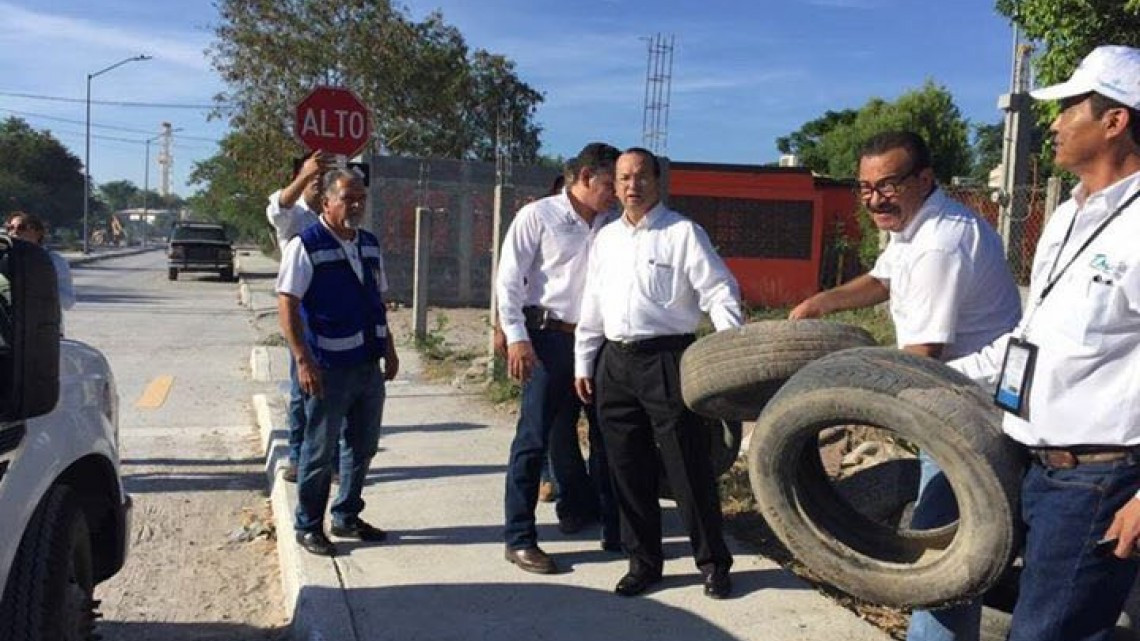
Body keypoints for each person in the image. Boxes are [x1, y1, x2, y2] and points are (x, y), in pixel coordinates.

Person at [789, 131, 1021, 640]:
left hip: (971, 411)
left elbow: (920, 359)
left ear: (924, 179)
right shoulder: (914, 226)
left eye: (888, 185)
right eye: (866, 187)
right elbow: (883, 279)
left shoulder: (938, 245)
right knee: (959, 540)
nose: (875, 199)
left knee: (943, 558)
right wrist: (823, 302)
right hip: (950, 398)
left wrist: (842, 394)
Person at [950, 44, 1140, 641]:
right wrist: (927, 380)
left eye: (1069, 109)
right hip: (1034, 466)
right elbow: (1031, 338)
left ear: (1115, 121)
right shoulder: (1067, 215)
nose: (1054, 124)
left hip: (1099, 480)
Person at [574, 147, 741, 599]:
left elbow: (719, 290)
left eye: (641, 176)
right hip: (615, 363)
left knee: (687, 464)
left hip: (668, 360)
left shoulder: (682, 233)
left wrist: (730, 348)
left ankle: (713, 563)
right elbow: (593, 304)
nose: (632, 185)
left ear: (657, 181)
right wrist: (584, 361)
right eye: (624, 178)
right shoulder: (606, 239)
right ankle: (644, 563)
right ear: (616, 184)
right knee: (626, 468)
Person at [498, 142, 622, 574]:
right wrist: (516, 337)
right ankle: (519, 538)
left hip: (598, 343)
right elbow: (508, 280)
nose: (617, 192)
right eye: (610, 183)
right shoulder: (539, 216)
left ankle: (604, 517)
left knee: (607, 434)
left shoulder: (613, 223)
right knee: (535, 438)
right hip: (548, 340)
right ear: (586, 177)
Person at [276, 168, 399, 556]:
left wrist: (389, 347)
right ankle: (308, 525)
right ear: (326, 202)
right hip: (327, 367)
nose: (356, 205)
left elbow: (377, 301)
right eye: (348, 198)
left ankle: (346, 515)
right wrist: (303, 360)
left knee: (362, 446)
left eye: (361, 198)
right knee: (319, 451)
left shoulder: (369, 244)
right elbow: (287, 303)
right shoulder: (306, 245)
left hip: (367, 363)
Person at [266, 150, 329, 483]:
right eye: (312, 178)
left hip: (333, 312)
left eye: (322, 178)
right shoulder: (293, 217)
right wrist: (306, 173)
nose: (318, 183)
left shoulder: (333, 215)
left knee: (335, 390)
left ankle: (329, 459)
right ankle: (298, 456)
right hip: (300, 313)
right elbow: (279, 206)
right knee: (301, 386)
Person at [6, 211, 76, 312]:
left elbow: (68, 302)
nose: (15, 232)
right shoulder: (4, 259)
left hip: (42, 320)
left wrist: (41, 285)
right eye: (10, 228)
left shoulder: (54, 261)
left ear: (38, 233)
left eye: (21, 228)